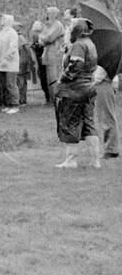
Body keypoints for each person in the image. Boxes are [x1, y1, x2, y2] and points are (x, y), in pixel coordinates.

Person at [54, 18, 100, 169]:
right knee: (88, 124)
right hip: (89, 88)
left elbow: (76, 65)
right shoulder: (90, 43)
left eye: (70, 27)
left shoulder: (79, 45)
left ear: (77, 30)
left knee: (69, 123)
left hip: (74, 89)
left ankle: (71, 161)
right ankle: (95, 161)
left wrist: (62, 78)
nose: (68, 29)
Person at [0, 14, 20, 114]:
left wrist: (6, 58)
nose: (2, 20)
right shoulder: (2, 32)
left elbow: (13, 48)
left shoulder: (12, 33)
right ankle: (8, 104)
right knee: (4, 84)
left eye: (4, 19)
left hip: (10, 64)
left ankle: (15, 105)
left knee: (11, 84)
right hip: (1, 64)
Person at [39, 7, 66, 101]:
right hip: (48, 54)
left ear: (54, 14)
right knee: (49, 76)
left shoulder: (57, 25)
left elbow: (49, 38)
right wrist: (43, 39)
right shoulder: (47, 25)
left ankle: (57, 97)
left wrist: (43, 38)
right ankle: (51, 97)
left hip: (56, 54)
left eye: (48, 13)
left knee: (55, 76)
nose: (46, 15)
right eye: (46, 13)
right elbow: (41, 38)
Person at [93, 67, 119, 160]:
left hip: (104, 83)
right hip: (105, 83)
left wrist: (91, 83)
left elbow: (100, 72)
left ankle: (111, 149)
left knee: (106, 117)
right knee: (105, 116)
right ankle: (110, 148)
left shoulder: (105, 55)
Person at [30, 17, 51, 103]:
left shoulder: (37, 35)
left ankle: (48, 96)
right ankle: (48, 96)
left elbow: (36, 47)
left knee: (43, 77)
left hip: (41, 59)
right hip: (43, 59)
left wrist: (34, 46)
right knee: (45, 77)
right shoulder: (43, 34)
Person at [16, 22, 31, 106]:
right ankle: (23, 100)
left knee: (20, 82)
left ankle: (21, 100)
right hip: (24, 62)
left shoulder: (19, 38)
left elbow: (27, 49)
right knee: (23, 82)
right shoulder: (22, 37)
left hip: (20, 63)